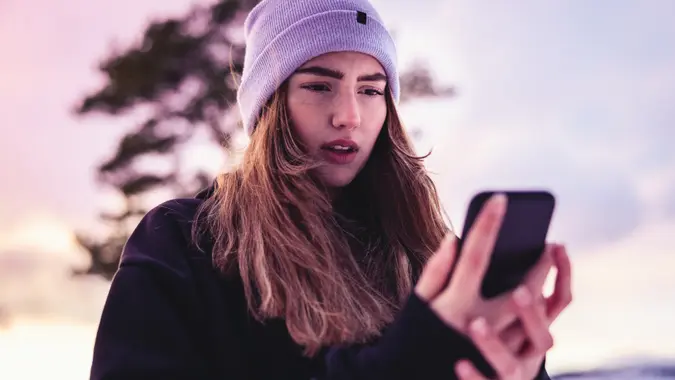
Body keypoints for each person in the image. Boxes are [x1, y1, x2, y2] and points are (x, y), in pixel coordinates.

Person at [89, 0, 573, 379]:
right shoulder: (184, 242)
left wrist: (520, 371)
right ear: (269, 105)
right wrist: (409, 360)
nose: (349, 116)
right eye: (320, 86)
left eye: (370, 89)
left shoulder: (421, 251)